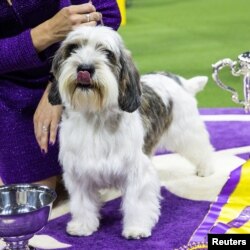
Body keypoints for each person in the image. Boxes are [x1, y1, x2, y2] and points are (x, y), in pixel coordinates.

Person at [0, 0, 121, 189]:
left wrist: (57, 86)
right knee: (31, 194)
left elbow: (108, 12)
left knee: (106, 173)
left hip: (77, 72)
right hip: (9, 91)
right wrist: (44, 33)